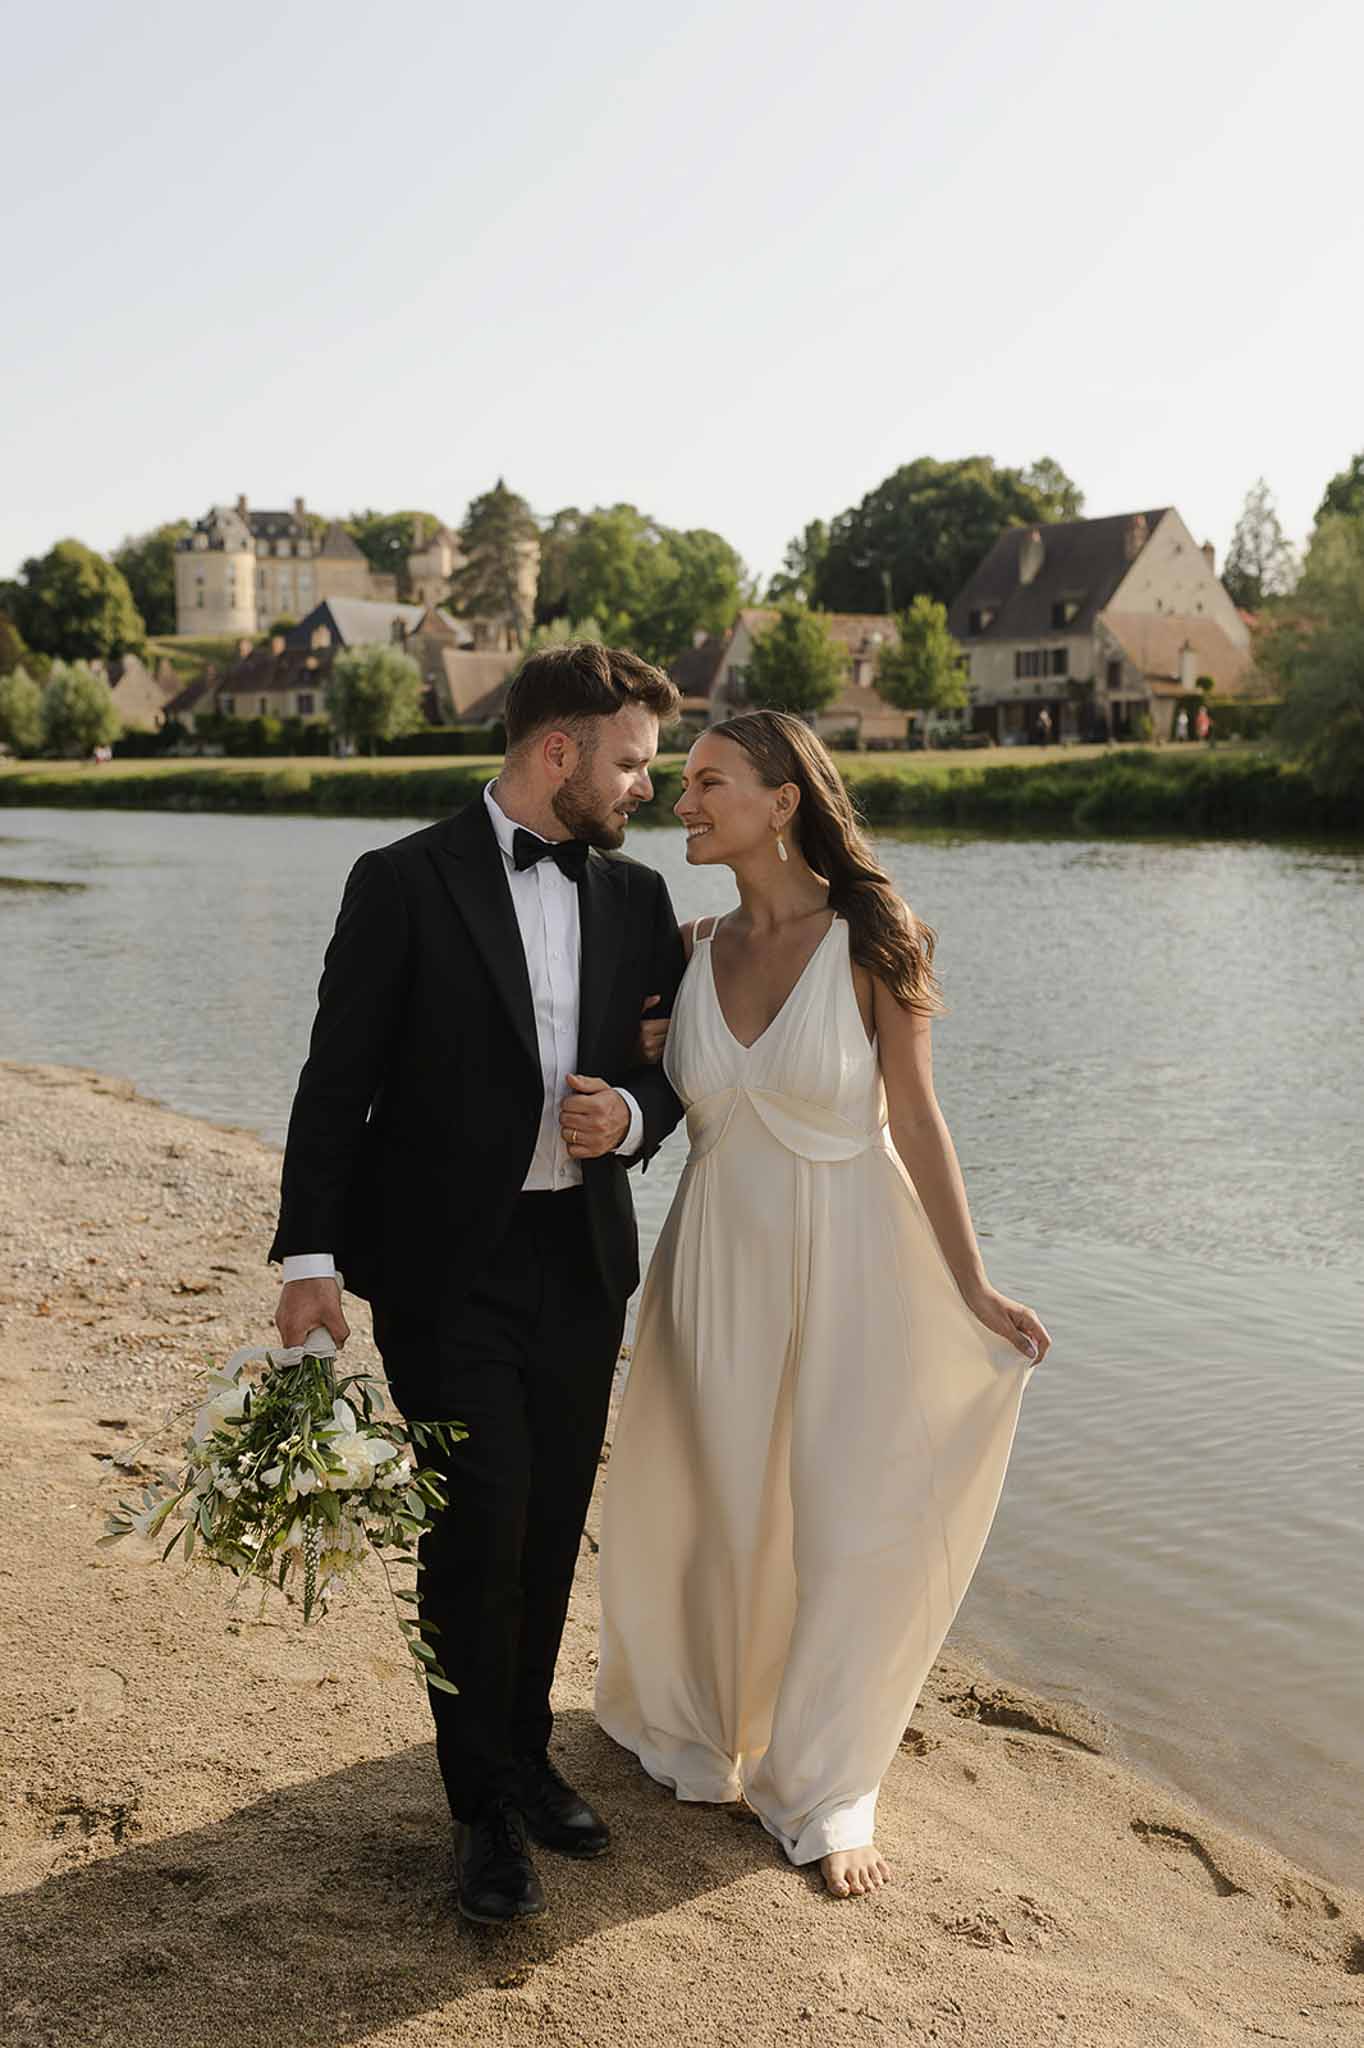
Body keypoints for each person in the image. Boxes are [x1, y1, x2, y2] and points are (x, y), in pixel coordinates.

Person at [596, 710, 1050, 1901]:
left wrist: (971, 1282)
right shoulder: (688, 945)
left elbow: (917, 1115)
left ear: (783, 797)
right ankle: (693, 1726)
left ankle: (823, 1781)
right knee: (712, 1504)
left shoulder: (871, 936)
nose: (682, 800)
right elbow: (640, 1092)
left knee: (847, 1518)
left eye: (707, 782)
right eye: (679, 781)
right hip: (711, 1267)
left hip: (854, 1263)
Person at [269, 643, 686, 1925]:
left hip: (581, 1265)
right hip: (446, 1270)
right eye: (628, 762)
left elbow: (670, 1076)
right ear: (555, 750)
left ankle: (519, 1747)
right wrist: (309, 1259)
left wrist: (627, 1115)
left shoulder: (637, 899)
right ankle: (478, 1811)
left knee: (552, 1520)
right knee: (475, 1531)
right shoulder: (398, 880)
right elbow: (337, 1081)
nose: (643, 789)